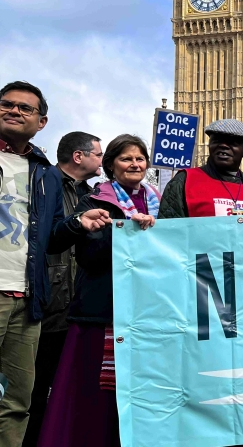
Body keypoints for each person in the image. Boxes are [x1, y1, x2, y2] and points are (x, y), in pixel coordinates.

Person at [39, 134, 159, 446]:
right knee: (95, 400)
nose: (134, 164)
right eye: (125, 158)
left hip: (150, 315)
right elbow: (90, 257)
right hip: (103, 314)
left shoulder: (160, 201)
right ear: (110, 166)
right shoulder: (95, 201)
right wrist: (128, 232)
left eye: (140, 158)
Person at [25, 131, 103, 446]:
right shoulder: (45, 184)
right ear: (78, 156)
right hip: (48, 303)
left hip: (77, 304)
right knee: (34, 387)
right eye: (98, 154)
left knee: (69, 386)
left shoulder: (91, 193)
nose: (102, 159)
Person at [0, 81, 67, 444]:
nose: (14, 111)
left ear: (41, 121)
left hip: (27, 299)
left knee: (16, 401)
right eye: (7, 104)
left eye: (25, 108)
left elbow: (53, 235)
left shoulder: (46, 172)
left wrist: (77, 224)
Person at [159, 119, 243, 218]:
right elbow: (170, 232)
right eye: (217, 141)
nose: (223, 146)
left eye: (232, 142)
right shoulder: (185, 181)